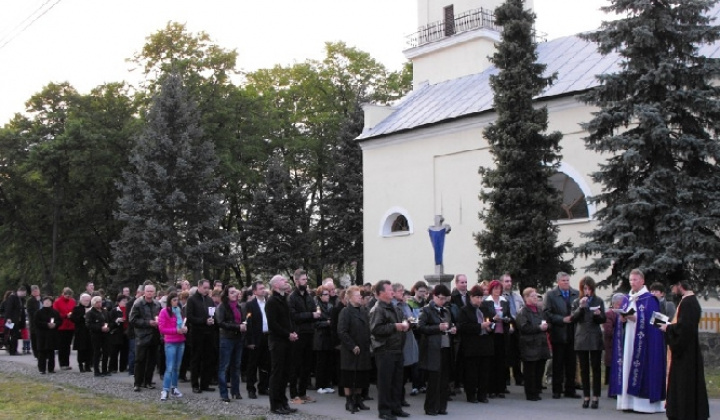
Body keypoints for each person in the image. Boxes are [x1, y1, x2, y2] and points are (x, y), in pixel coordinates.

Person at [616, 269, 666, 413]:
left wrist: (636, 319)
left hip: (645, 342)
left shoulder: (650, 299)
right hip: (629, 338)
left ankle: (641, 404)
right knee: (627, 365)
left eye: (635, 280)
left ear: (642, 281)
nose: (632, 283)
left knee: (642, 368)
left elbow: (655, 321)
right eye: (631, 280)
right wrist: (623, 319)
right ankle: (627, 402)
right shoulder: (627, 298)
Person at [660, 281, 709, 420]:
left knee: (683, 385)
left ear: (680, 285)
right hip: (688, 351)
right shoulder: (689, 301)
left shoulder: (688, 303)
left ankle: (683, 413)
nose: (673, 289)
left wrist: (667, 328)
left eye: (673, 286)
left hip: (685, 354)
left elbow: (684, 329)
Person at [369, 279, 409, 420]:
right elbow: (375, 329)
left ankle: (396, 407)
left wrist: (405, 324)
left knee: (397, 382)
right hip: (385, 350)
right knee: (385, 382)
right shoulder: (378, 309)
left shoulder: (395, 307)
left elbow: (403, 319)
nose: (392, 291)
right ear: (381, 293)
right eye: (389, 289)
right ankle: (384, 411)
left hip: (397, 349)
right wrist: (395, 327)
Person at [418, 284, 456, 416]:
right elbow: (420, 327)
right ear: (434, 296)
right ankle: (430, 407)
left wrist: (452, 329)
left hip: (445, 347)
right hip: (433, 349)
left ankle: (441, 406)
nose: (443, 301)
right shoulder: (426, 310)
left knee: (444, 379)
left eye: (445, 299)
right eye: (441, 298)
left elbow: (449, 325)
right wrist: (437, 328)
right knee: (434, 380)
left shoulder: (446, 310)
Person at [265, 275, 299, 415]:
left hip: (287, 341)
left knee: (286, 373)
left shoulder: (284, 299)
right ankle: (275, 404)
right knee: (277, 373)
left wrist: (293, 332)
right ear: (275, 286)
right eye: (282, 280)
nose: (286, 281)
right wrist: (287, 334)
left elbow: (289, 319)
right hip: (278, 342)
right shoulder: (272, 301)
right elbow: (273, 324)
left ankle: (283, 402)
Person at [543, 271, 580, 399]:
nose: (566, 283)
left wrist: (575, 317)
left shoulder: (576, 293)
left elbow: (580, 311)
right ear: (558, 282)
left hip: (573, 332)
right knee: (558, 363)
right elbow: (547, 313)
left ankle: (570, 389)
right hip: (558, 332)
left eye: (567, 280)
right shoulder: (551, 295)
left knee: (571, 363)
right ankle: (557, 389)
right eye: (563, 281)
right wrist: (561, 319)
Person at [570, 276, 606, 409]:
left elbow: (603, 319)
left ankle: (595, 397)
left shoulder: (598, 300)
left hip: (595, 336)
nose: (587, 291)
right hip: (581, 337)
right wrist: (581, 307)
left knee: (596, 368)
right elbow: (573, 318)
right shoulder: (576, 301)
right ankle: (586, 396)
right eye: (585, 288)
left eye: (589, 289)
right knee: (584, 368)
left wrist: (598, 314)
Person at [456, 284, 494, 404]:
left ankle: (482, 394)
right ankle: (471, 395)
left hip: (485, 344)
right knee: (471, 372)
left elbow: (491, 321)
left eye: (481, 297)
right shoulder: (464, 310)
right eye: (477, 297)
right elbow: (462, 326)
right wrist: (479, 327)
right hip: (471, 345)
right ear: (471, 297)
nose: (479, 300)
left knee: (484, 371)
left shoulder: (485, 309)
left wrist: (490, 327)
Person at [338, 286, 372, 413]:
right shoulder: (345, 312)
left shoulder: (363, 310)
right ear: (350, 297)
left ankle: (358, 399)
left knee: (361, 376)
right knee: (349, 375)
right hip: (350, 350)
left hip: (363, 348)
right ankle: (349, 401)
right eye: (357, 295)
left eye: (360, 295)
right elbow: (342, 331)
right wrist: (352, 345)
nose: (360, 297)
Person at [287, 269, 319, 404]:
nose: (306, 282)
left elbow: (313, 310)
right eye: (303, 279)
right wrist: (311, 315)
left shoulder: (308, 296)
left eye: (306, 279)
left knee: (307, 365)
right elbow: (294, 316)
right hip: (298, 334)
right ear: (296, 281)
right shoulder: (292, 298)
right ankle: (294, 394)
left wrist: (314, 315)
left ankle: (303, 393)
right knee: (295, 365)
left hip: (309, 333)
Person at [515, 287, 551, 402]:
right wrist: (538, 328)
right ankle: (530, 392)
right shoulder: (523, 311)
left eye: (536, 296)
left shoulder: (539, 310)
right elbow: (524, 327)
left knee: (539, 368)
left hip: (541, 343)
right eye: (533, 296)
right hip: (529, 344)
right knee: (530, 370)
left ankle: (536, 389)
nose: (536, 298)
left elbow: (546, 322)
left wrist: (546, 326)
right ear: (526, 298)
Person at [216, 285, 247, 402]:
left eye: (236, 292)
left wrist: (244, 325)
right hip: (227, 338)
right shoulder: (222, 307)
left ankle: (236, 391)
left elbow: (242, 320)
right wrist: (237, 327)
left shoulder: (239, 307)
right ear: (227, 295)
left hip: (238, 338)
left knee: (236, 366)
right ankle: (224, 393)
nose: (235, 294)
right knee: (224, 366)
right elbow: (221, 322)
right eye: (232, 292)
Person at [186, 279, 216, 394]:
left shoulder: (209, 300)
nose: (206, 289)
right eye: (204, 287)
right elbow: (190, 317)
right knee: (196, 359)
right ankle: (195, 384)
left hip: (209, 333)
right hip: (197, 333)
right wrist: (204, 321)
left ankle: (205, 383)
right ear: (199, 287)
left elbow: (213, 313)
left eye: (208, 287)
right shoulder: (192, 300)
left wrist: (213, 320)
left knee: (207, 359)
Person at [130, 283, 161, 392]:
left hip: (154, 336)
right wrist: (147, 323)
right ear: (144, 292)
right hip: (142, 336)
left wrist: (158, 323)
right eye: (148, 291)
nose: (150, 293)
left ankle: (148, 381)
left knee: (152, 361)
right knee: (140, 360)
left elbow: (161, 317)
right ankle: (137, 383)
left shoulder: (157, 304)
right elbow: (132, 320)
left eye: (152, 291)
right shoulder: (138, 303)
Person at [158, 291, 187, 401]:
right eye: (174, 300)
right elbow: (162, 328)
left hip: (180, 341)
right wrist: (176, 330)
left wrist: (184, 329)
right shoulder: (164, 312)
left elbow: (182, 323)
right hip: (170, 342)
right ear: (170, 301)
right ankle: (165, 389)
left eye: (177, 300)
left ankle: (174, 388)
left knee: (176, 367)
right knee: (169, 367)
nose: (176, 302)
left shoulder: (179, 311)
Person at [484, 279, 511, 398]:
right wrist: (493, 319)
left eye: (499, 289)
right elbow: (485, 318)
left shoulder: (504, 301)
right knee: (491, 362)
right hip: (491, 334)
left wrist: (507, 321)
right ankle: (491, 388)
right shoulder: (486, 302)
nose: (497, 291)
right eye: (495, 289)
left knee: (501, 362)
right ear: (491, 290)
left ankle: (501, 388)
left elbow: (509, 316)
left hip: (502, 333)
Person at [244, 280, 270, 399]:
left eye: (264, 288)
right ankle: (251, 388)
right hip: (256, 337)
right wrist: (250, 341)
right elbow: (248, 323)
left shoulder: (268, 302)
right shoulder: (250, 305)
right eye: (260, 288)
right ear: (254, 291)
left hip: (267, 336)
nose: (263, 290)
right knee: (253, 364)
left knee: (266, 364)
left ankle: (263, 387)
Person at [501, 273, 524, 386]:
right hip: (506, 324)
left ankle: (518, 376)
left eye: (510, 281)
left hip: (517, 325)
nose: (509, 283)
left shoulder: (516, 296)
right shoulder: (500, 296)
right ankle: (505, 378)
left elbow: (522, 308)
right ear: (501, 283)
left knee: (517, 352)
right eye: (506, 281)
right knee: (506, 351)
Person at [313, 284, 335, 394]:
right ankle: (319, 385)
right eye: (325, 294)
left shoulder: (330, 306)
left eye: (328, 294)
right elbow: (315, 323)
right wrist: (326, 322)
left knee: (328, 362)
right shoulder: (317, 306)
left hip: (328, 337)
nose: (328, 296)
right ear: (320, 296)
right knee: (320, 363)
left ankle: (327, 383)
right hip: (320, 337)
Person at [603, 293, 627, 394]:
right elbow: (608, 331)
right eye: (621, 304)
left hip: (622, 345)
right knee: (613, 368)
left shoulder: (623, 314)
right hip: (612, 345)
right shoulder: (609, 314)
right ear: (615, 304)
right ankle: (612, 388)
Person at [85, 295, 111, 377]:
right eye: (97, 302)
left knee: (106, 352)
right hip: (96, 335)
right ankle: (96, 370)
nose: (99, 304)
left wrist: (108, 327)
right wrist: (100, 328)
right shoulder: (90, 313)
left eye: (100, 302)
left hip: (105, 335)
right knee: (97, 352)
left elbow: (109, 321)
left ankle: (104, 369)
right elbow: (89, 324)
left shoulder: (105, 311)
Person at [34, 296, 60, 374]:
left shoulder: (55, 312)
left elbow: (59, 321)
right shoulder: (38, 312)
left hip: (52, 334)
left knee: (51, 352)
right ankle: (42, 369)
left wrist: (55, 324)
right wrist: (46, 324)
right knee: (42, 352)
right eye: (46, 301)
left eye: (49, 301)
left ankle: (51, 368)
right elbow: (36, 322)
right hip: (42, 334)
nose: (47, 303)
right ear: (43, 302)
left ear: (51, 303)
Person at [53, 287, 76, 370]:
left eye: (69, 295)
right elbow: (56, 313)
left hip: (70, 326)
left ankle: (67, 363)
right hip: (61, 326)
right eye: (66, 295)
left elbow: (74, 311)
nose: (68, 297)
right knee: (62, 346)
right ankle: (62, 363)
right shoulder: (58, 302)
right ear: (63, 294)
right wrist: (65, 315)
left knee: (67, 345)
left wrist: (72, 315)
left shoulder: (72, 301)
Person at [71, 293, 93, 373]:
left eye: (88, 300)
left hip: (89, 332)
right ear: (81, 300)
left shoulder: (91, 308)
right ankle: (80, 365)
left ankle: (88, 365)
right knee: (81, 349)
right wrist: (83, 316)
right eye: (85, 300)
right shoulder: (76, 308)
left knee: (89, 349)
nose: (87, 302)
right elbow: (73, 319)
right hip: (80, 331)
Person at [108, 294, 129, 373]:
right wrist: (117, 321)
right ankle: (113, 368)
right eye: (123, 301)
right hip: (116, 333)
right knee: (114, 351)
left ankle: (123, 367)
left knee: (125, 351)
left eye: (126, 301)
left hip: (125, 333)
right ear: (119, 302)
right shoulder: (114, 310)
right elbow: (110, 323)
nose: (125, 302)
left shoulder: (128, 310)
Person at [2, 286, 26, 355]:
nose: (24, 295)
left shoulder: (19, 299)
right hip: (11, 320)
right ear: (20, 291)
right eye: (23, 293)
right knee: (12, 335)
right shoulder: (12, 298)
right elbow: (9, 309)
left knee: (14, 335)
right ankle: (12, 350)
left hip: (15, 320)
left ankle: (13, 349)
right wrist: (8, 318)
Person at [26, 285, 42, 357]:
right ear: (32, 292)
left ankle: (42, 352)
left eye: (37, 291)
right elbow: (30, 311)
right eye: (34, 291)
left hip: (43, 322)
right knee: (34, 338)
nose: (36, 292)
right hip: (34, 322)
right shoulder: (30, 300)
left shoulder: (42, 299)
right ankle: (36, 353)